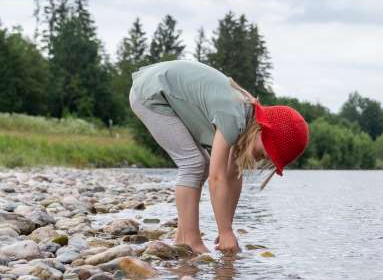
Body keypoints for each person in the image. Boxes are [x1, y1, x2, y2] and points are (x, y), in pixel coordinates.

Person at [130, 60, 309, 254]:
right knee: (194, 164)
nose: (260, 159)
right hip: (152, 92)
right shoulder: (233, 116)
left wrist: (226, 227)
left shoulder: (244, 120)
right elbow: (217, 178)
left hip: (161, 88)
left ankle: (182, 237)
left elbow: (232, 174)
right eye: (264, 152)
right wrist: (225, 231)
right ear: (262, 130)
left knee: (202, 164)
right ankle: (190, 240)